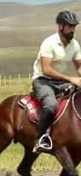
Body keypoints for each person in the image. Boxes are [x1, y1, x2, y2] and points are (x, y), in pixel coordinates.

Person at [31, 11, 81, 153]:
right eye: (70, 26)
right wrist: (71, 79)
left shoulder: (74, 44)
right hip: (42, 80)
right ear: (60, 26)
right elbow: (46, 70)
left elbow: (79, 67)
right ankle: (40, 139)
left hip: (60, 81)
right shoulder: (49, 43)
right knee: (51, 105)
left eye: (74, 26)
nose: (73, 29)